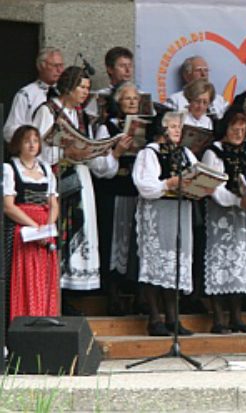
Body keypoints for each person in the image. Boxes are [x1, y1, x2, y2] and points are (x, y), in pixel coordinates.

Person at [32, 66, 107, 295]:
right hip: (58, 180)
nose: (85, 92)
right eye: (81, 87)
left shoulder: (81, 115)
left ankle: (71, 291)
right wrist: (66, 154)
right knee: (64, 230)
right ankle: (56, 291)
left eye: (87, 88)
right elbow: (37, 150)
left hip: (81, 177)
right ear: (68, 86)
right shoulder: (48, 111)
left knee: (81, 229)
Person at [202, 111, 246, 334]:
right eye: (234, 129)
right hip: (222, 215)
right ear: (225, 129)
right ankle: (218, 318)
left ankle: (237, 317)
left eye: (243, 130)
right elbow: (214, 188)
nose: (239, 133)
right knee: (221, 262)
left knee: (240, 264)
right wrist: (236, 200)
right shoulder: (214, 152)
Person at [132, 111, 201, 336]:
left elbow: (198, 174)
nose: (177, 130)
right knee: (155, 262)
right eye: (172, 126)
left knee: (175, 263)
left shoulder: (186, 153)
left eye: (179, 127)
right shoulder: (149, 153)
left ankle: (173, 317)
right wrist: (168, 183)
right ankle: (154, 318)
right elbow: (145, 186)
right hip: (158, 211)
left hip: (180, 211)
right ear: (161, 129)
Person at [3, 126, 59, 321]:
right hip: (23, 229)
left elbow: (54, 204)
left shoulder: (45, 170)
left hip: (44, 231)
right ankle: (22, 323)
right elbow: (8, 206)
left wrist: (47, 229)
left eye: (35, 140)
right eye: (27, 141)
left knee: (44, 279)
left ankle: (45, 322)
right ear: (18, 144)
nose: (32, 145)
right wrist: (35, 228)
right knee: (24, 279)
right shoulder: (10, 169)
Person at [93, 81, 138, 314]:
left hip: (135, 191)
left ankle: (134, 294)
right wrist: (118, 153)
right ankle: (113, 294)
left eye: (135, 99)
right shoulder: (106, 128)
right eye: (127, 98)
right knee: (113, 240)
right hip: (114, 189)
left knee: (133, 241)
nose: (132, 102)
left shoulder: (144, 127)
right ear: (118, 101)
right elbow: (100, 168)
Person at [4, 47, 64, 142]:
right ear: (41, 66)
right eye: (55, 65)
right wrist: (31, 135)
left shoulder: (65, 94)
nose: (60, 70)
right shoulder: (26, 94)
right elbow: (9, 131)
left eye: (61, 65)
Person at [85, 46, 135, 118]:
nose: (128, 70)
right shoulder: (100, 96)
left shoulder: (139, 94)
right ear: (110, 69)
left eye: (130, 66)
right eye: (122, 66)